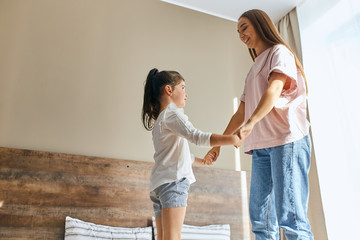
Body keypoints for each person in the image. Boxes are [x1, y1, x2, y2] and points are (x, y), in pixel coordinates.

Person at [204, 9, 314, 240]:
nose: (241, 34)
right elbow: (240, 112)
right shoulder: (253, 69)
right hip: (262, 147)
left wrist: (252, 122)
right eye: (238, 31)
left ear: (261, 25)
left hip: (287, 140)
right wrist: (219, 144)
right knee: (260, 221)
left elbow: (274, 89)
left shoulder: (279, 52)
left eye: (244, 27)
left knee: (291, 218)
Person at [142, 68, 242, 240]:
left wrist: (201, 161)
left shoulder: (160, 120)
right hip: (173, 184)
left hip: (158, 185)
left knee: (164, 238)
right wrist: (231, 139)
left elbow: (175, 155)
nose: (186, 93)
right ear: (169, 90)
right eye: (183, 87)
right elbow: (197, 137)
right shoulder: (172, 114)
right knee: (173, 237)